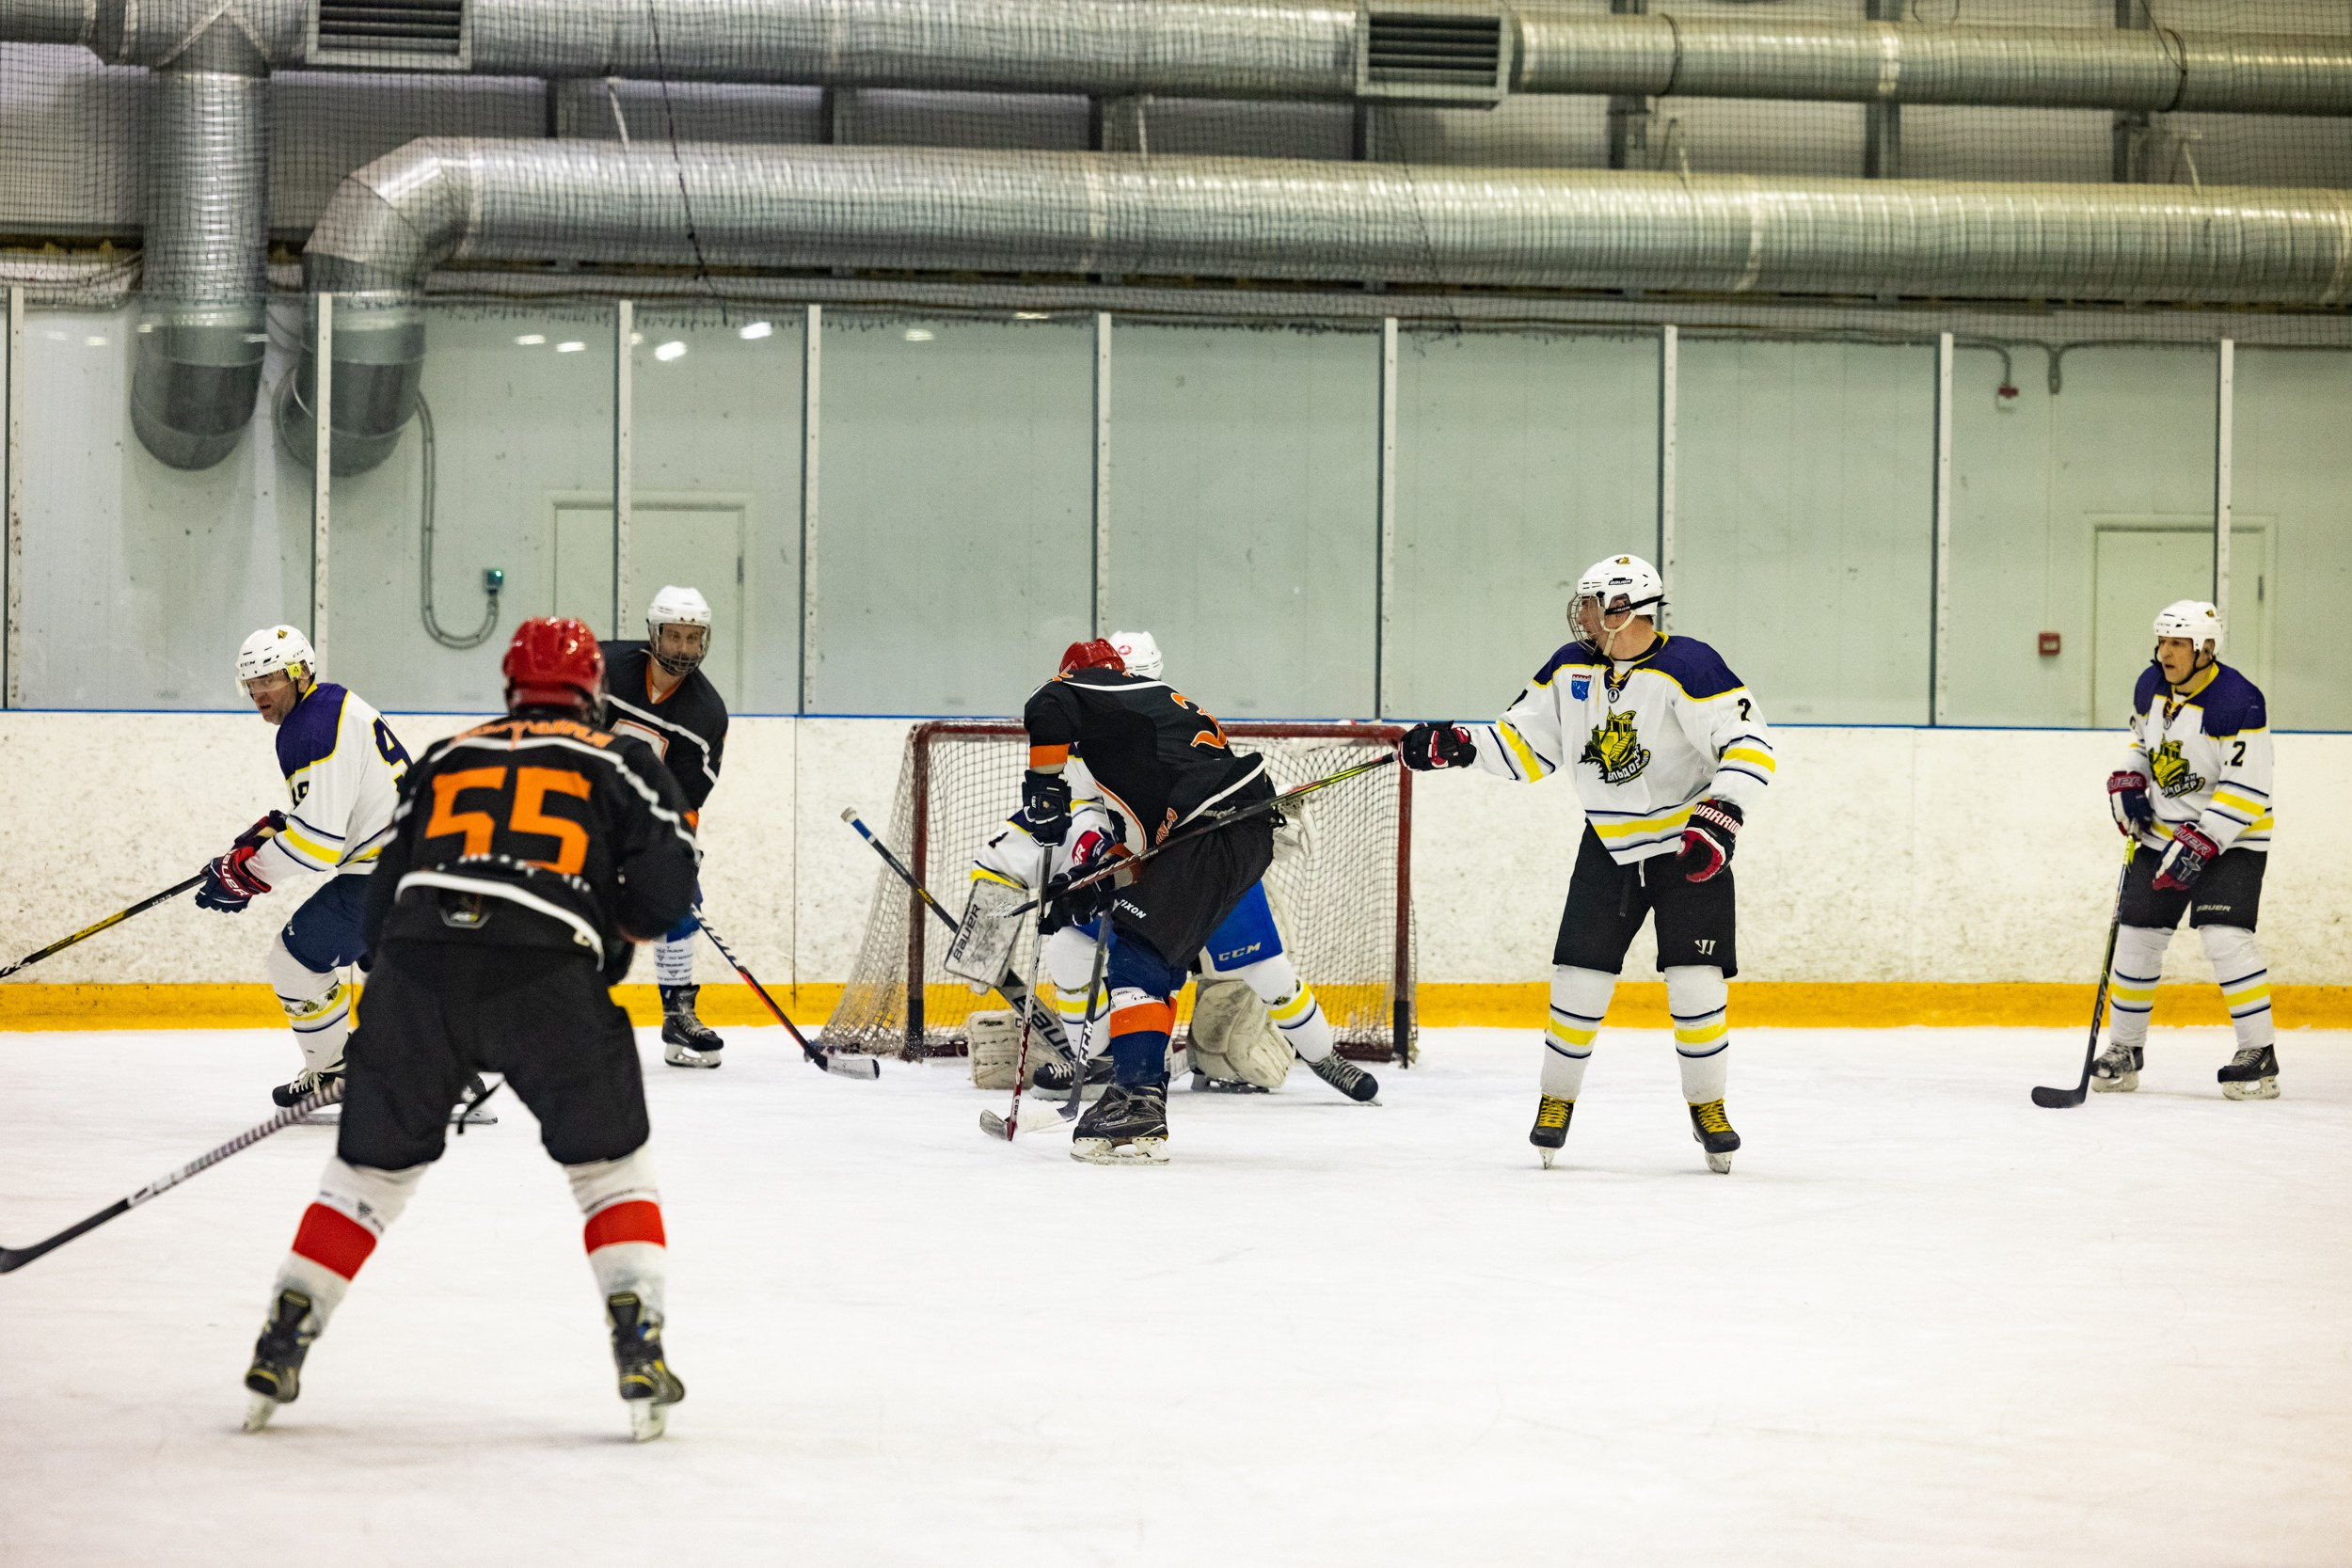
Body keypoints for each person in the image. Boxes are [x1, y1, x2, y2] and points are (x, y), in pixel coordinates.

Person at [241, 618, 701, 1441]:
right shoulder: (622, 760)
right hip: (548, 973)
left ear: (510, 686)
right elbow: (670, 892)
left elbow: (382, 899)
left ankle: (286, 1329)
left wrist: (400, 1007)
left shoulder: (449, 755)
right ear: (593, 688)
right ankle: (639, 1342)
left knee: (367, 1177)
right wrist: (602, 944)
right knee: (610, 1170)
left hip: (418, 972)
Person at [1399, 554, 1774, 1173]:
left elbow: (1749, 744)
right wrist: (1462, 746)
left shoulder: (1691, 667)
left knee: (1697, 983)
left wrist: (1722, 814)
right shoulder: (1568, 667)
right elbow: (1525, 745)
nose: (1582, 614)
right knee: (1578, 979)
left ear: (1625, 609)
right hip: (1608, 845)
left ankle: (1709, 1107)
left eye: (1593, 602)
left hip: (1687, 849)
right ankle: (1556, 1101)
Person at [1021, 628, 1376, 1103]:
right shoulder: (1112, 733)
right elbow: (1098, 814)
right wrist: (1092, 869)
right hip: (1149, 861)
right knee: (1070, 947)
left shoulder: (1152, 721)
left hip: (1201, 861)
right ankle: (1100, 1060)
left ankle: (1323, 1056)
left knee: (1265, 970)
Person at [1022, 639, 1276, 1163]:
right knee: (1152, 956)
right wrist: (1085, 888)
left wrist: (1043, 790)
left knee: (1139, 954)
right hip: (1232, 836)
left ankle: (1137, 1098)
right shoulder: (1145, 727)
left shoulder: (1095, 687)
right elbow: (1141, 858)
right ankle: (1136, 1092)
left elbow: (1046, 703)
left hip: (1211, 827)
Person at [199, 626, 410, 1108]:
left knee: (294, 962)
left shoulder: (309, 728)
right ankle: (446, 1078)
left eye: (269, 679)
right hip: (415, 865)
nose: (259, 693)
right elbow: (332, 809)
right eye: (251, 683)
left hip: (382, 872)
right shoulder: (333, 705)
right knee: (390, 969)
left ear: (300, 674)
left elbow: (317, 844)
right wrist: (277, 830)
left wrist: (248, 874)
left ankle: (334, 1071)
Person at [2092, 600, 2279, 1100]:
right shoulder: (2150, 686)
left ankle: (2258, 1053)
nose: (2166, 653)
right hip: (2162, 833)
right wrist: (2130, 778)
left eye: (2178, 643)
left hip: (2233, 838)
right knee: (2136, 937)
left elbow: (2248, 787)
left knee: (2225, 937)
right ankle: (2124, 1049)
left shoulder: (2239, 701)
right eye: (2162, 642)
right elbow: (2142, 745)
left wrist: (2203, 840)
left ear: (2206, 648)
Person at [603, 586, 732, 1068]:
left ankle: (677, 1013)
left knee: (679, 895)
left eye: (692, 638)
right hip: (579, 805)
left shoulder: (706, 714)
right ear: (653, 634)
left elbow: (685, 800)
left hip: (642, 821)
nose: (683, 648)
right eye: (674, 635)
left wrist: (677, 848)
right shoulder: (605, 669)